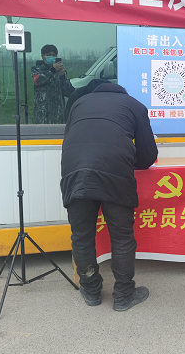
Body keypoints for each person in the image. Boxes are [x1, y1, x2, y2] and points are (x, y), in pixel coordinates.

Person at [61, 83, 158, 311]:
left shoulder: (79, 103)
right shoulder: (134, 105)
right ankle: (124, 295)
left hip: (75, 173)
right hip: (115, 174)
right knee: (122, 236)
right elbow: (148, 156)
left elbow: (70, 139)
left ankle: (91, 291)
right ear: (122, 93)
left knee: (81, 236)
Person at [31, 44, 74, 124]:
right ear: (43, 56)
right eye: (48, 55)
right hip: (42, 117)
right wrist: (53, 70)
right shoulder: (36, 70)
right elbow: (39, 80)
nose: (51, 57)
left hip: (58, 117)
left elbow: (69, 92)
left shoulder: (60, 72)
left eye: (53, 55)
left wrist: (62, 76)